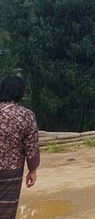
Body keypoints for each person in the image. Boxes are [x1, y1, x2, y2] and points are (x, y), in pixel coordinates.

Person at [0, 75, 40, 218]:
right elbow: (32, 146)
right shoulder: (25, 115)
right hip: (10, 172)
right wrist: (32, 170)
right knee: (6, 208)